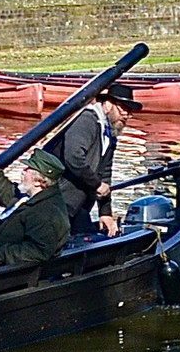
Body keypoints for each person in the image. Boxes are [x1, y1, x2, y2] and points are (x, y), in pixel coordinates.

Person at [43, 83, 141, 237]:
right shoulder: (87, 121)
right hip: (56, 201)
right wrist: (96, 184)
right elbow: (73, 157)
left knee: (91, 237)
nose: (126, 116)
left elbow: (105, 172)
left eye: (130, 112)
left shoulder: (110, 132)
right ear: (108, 104)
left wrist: (105, 211)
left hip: (78, 205)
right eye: (123, 109)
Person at [0, 148, 71, 266]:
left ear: (38, 181)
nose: (23, 171)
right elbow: (8, 193)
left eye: (28, 170)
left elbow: (39, 251)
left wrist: (0, 255)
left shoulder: (46, 212)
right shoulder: (33, 198)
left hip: (9, 274)